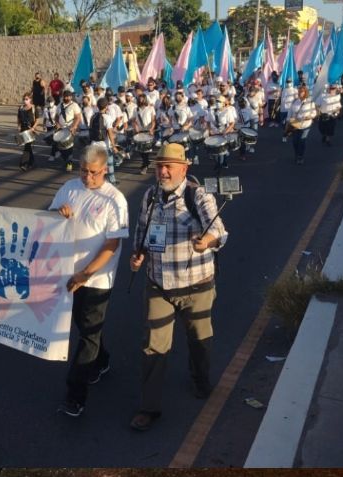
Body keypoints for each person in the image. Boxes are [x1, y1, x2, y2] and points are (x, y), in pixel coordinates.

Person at [128, 143, 228, 431]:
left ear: (184, 168)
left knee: (199, 340)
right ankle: (149, 407)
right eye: (160, 165)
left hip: (196, 285)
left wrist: (206, 241)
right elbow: (141, 234)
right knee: (153, 346)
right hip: (158, 283)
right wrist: (138, 257)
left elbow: (219, 231)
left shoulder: (198, 196)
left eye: (170, 165)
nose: (163, 170)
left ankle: (200, 380)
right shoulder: (150, 196)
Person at [50, 145, 129, 417]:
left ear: (104, 170)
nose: (87, 177)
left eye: (93, 173)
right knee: (86, 329)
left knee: (87, 336)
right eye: (84, 171)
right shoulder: (69, 188)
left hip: (96, 279)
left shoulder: (115, 200)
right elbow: (48, 220)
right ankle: (102, 360)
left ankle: (75, 395)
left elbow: (112, 243)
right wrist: (59, 213)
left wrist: (86, 274)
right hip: (67, 273)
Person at [88, 98, 119, 185]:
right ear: (106, 107)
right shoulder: (107, 117)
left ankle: (93, 180)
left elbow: (90, 130)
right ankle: (112, 181)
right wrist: (113, 146)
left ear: (98, 107)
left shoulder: (92, 117)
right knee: (109, 164)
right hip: (104, 146)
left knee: (96, 165)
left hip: (93, 145)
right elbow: (109, 132)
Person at [286, 84, 317, 165]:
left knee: (302, 141)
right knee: (295, 141)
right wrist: (288, 120)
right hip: (295, 125)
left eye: (302, 92)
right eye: (299, 92)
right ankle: (296, 154)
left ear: (305, 93)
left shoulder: (310, 102)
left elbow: (314, 113)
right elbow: (290, 112)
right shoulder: (295, 101)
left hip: (305, 125)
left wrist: (310, 116)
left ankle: (300, 156)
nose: (300, 93)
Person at [54, 90, 82, 171]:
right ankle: (66, 160)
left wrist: (74, 126)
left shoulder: (74, 105)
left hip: (70, 129)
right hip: (61, 129)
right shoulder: (59, 105)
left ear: (71, 97)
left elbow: (78, 117)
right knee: (61, 147)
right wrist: (57, 123)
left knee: (69, 147)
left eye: (67, 96)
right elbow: (56, 116)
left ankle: (69, 164)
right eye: (65, 96)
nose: (66, 98)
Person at [132, 93, 156, 175]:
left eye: (142, 98)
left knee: (146, 150)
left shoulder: (150, 108)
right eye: (139, 99)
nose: (140, 100)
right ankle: (146, 162)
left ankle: (144, 166)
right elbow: (134, 121)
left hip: (148, 131)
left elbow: (153, 120)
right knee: (141, 150)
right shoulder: (136, 109)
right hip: (140, 132)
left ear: (145, 99)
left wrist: (152, 128)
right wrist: (136, 127)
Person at [17, 92, 37, 172]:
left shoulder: (34, 108)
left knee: (27, 146)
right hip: (23, 129)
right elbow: (18, 118)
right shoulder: (21, 108)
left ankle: (24, 164)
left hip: (31, 130)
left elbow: (38, 119)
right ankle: (32, 162)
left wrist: (33, 127)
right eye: (24, 99)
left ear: (30, 99)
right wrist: (18, 126)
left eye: (26, 99)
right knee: (28, 146)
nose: (25, 101)